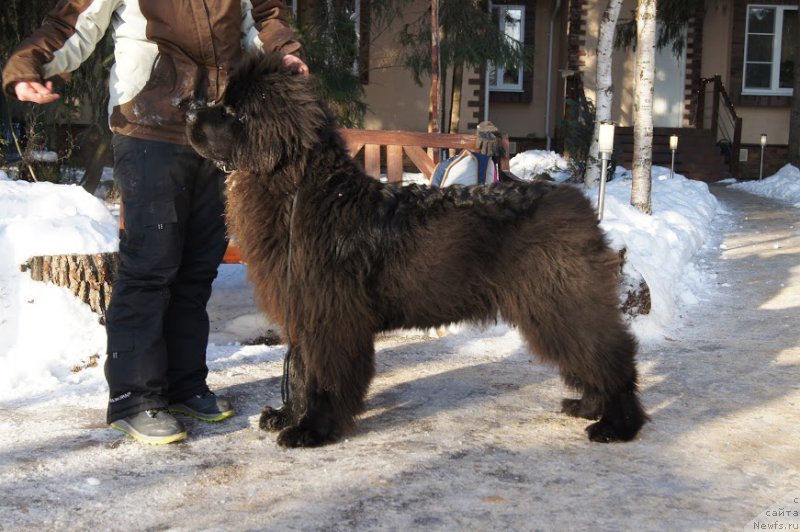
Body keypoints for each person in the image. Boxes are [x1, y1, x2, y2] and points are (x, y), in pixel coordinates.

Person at [2, 0, 308, 445]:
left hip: (217, 128)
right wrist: (29, 64)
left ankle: (185, 386)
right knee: (151, 263)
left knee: (199, 266)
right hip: (149, 124)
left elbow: (259, 19)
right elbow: (74, 22)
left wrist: (284, 51)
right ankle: (134, 397)